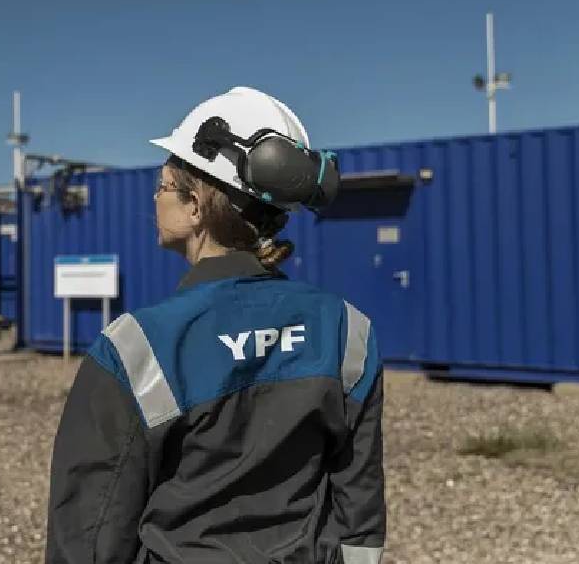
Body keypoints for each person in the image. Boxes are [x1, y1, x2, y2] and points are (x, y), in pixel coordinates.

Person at [45, 87, 385, 564]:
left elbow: (90, 535)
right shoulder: (347, 330)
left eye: (163, 185)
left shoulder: (137, 348)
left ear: (196, 206)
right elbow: (359, 513)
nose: (155, 198)